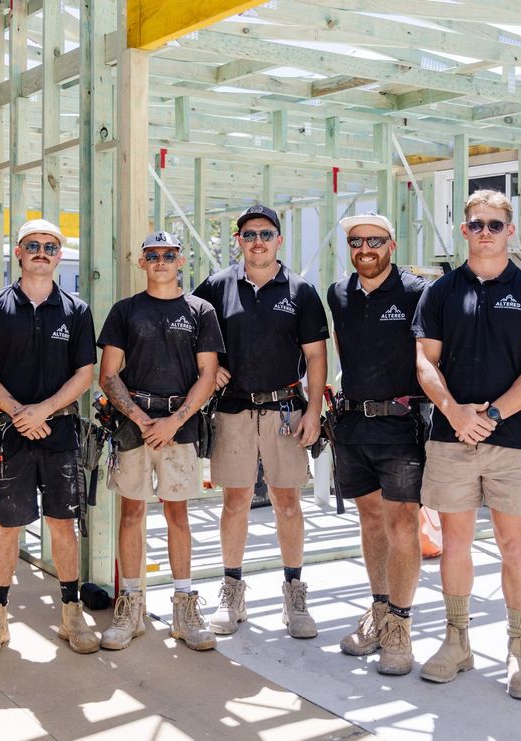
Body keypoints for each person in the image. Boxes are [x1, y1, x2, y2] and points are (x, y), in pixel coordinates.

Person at [412, 190, 521, 699]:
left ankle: (520, 650)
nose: (485, 233)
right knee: (454, 542)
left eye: (495, 225)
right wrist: (455, 412)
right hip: (451, 435)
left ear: (510, 230)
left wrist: (493, 414)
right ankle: (457, 641)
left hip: (513, 438)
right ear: (464, 231)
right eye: (476, 224)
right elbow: (425, 361)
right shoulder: (441, 292)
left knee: (514, 545)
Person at [193, 205, 329, 640]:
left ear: (278, 240)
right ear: (238, 239)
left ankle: (294, 593)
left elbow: (315, 355)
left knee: (287, 501)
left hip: (285, 409)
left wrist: (314, 411)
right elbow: (190, 335)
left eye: (266, 234)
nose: (258, 241)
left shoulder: (301, 291)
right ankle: (232, 593)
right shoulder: (216, 287)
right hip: (233, 410)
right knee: (234, 502)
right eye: (249, 234)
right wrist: (211, 370)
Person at [0, 218, 99, 658]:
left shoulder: (77, 310)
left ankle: (71, 614)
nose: (41, 251)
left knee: (63, 524)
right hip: (10, 436)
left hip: (59, 433)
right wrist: (20, 414)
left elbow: (85, 374)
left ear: (59, 256)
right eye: (32, 245)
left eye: (50, 246)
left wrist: (42, 411)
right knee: (8, 527)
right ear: (18, 253)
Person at [96, 231, 224, 652]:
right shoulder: (125, 311)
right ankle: (131, 607)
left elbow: (208, 374)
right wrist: (141, 418)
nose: (162, 261)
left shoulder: (201, 311)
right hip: (134, 425)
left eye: (169, 254)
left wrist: (174, 421)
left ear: (181, 260)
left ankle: (184, 611)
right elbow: (109, 374)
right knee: (131, 512)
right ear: (142, 262)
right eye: (153, 255)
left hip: (180, 425)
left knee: (178, 515)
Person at [326, 213, 428, 675]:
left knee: (403, 523)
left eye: (374, 240)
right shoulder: (339, 294)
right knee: (370, 521)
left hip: (401, 424)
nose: (365, 248)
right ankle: (380, 609)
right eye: (356, 241)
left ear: (391, 244)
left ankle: (401, 627)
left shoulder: (415, 292)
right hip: (352, 424)